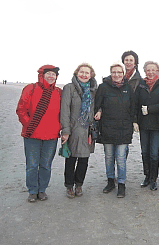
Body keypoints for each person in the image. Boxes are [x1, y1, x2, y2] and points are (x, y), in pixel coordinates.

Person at [16, 65, 61, 202]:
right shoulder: (31, 88)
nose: (51, 76)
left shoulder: (59, 92)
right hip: (32, 135)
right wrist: (30, 125)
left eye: (54, 74)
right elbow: (21, 110)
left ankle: (42, 190)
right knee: (32, 165)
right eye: (48, 74)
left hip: (51, 136)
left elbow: (64, 112)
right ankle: (32, 190)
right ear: (42, 75)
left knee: (46, 165)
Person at [94, 61, 135, 198]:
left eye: (119, 72)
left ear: (123, 74)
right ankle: (110, 181)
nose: (116, 75)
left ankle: (121, 184)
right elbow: (97, 104)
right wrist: (98, 111)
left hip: (124, 128)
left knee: (121, 157)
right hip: (107, 127)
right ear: (110, 74)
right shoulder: (103, 87)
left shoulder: (128, 88)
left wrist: (133, 123)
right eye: (114, 72)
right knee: (109, 157)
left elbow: (132, 108)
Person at [60, 63, 98, 199]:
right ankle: (69, 185)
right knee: (71, 159)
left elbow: (99, 105)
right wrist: (65, 130)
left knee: (84, 160)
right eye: (81, 72)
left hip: (88, 129)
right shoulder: (69, 88)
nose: (84, 75)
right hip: (73, 129)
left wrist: (99, 111)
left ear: (91, 75)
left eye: (87, 73)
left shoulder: (94, 90)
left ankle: (79, 184)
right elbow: (64, 110)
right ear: (77, 73)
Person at [134, 61, 159, 191]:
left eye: (153, 70)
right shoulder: (141, 86)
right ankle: (147, 176)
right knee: (145, 152)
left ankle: (154, 179)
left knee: (154, 153)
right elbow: (135, 104)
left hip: (156, 124)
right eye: (148, 70)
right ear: (145, 71)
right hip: (143, 124)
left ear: (158, 71)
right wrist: (135, 121)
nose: (150, 72)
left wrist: (150, 109)